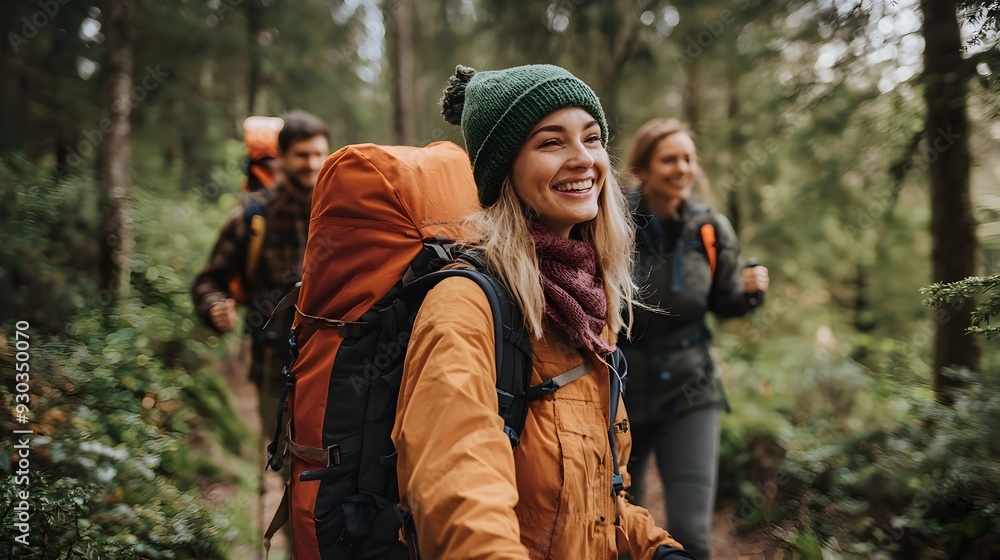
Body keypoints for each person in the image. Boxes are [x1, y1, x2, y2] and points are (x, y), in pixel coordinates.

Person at [391, 64, 694, 559]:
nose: (584, 160)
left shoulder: (588, 303)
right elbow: (458, 497)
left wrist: (658, 550)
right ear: (504, 170)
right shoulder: (466, 305)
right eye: (551, 143)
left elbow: (596, 504)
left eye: (592, 139)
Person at [620, 118, 770, 560]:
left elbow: (724, 302)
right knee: (625, 535)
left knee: (691, 537)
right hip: (621, 393)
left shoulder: (710, 229)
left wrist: (751, 294)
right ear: (643, 169)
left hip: (691, 390)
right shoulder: (611, 224)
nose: (682, 168)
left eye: (688, 158)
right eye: (669, 159)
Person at [191, 109, 330, 445]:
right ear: (280, 157)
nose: (312, 164)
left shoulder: (340, 210)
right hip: (272, 360)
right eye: (302, 155)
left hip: (331, 354)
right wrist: (214, 307)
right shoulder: (252, 217)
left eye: (318, 154)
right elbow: (208, 282)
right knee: (282, 446)